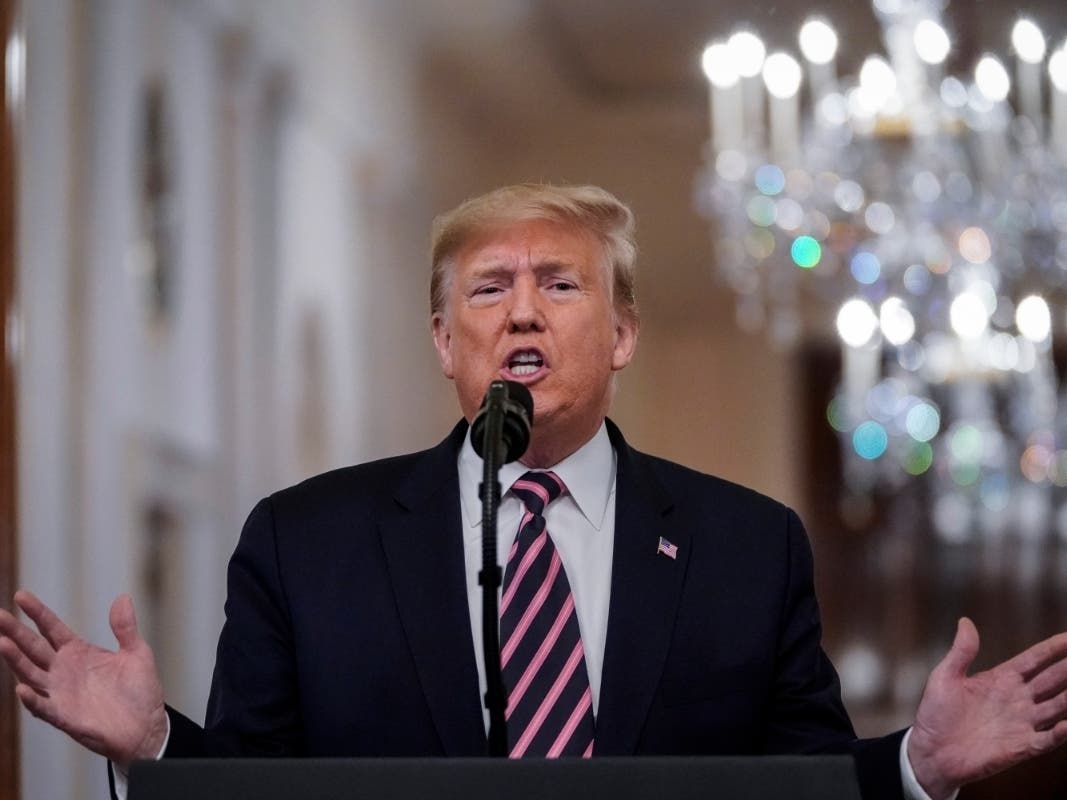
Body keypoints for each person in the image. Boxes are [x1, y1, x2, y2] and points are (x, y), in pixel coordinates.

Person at [2, 183, 1067, 800]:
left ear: (621, 333)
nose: (523, 315)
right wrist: (157, 748)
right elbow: (255, 788)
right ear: (441, 340)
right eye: (487, 290)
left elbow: (797, 785)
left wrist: (912, 769)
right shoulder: (303, 541)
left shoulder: (748, 545)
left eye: (560, 285)